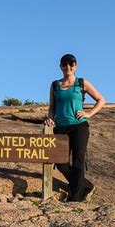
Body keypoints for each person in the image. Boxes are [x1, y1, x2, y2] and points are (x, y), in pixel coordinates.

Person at [44, 54, 106, 202]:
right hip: (61, 128)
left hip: (79, 127)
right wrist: (50, 119)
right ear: (60, 67)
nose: (68, 67)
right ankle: (86, 186)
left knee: (78, 162)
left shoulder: (81, 83)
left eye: (71, 64)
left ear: (76, 66)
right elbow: (52, 108)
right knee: (60, 163)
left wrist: (89, 113)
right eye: (65, 65)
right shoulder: (55, 85)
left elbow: (101, 100)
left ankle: (75, 198)